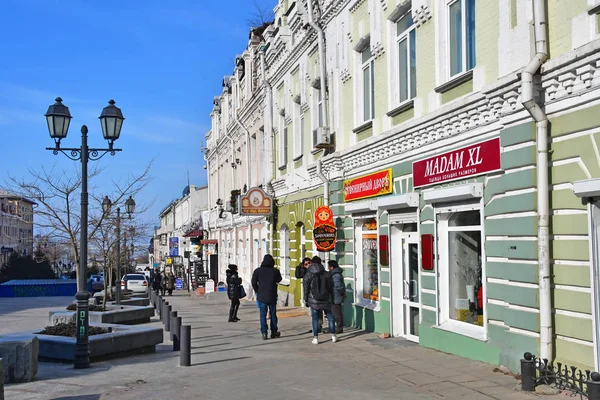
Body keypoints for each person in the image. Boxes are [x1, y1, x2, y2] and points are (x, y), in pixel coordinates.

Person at [303, 256, 336, 344]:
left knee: (315, 319)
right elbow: (331, 287)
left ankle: (316, 338)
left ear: (312, 263)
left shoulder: (308, 274)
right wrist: (332, 298)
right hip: (326, 299)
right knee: (330, 317)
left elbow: (306, 288)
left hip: (314, 300)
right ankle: (333, 336)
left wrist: (305, 299)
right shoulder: (327, 274)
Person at [251, 254, 282, 340]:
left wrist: (257, 290)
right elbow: (279, 279)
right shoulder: (275, 271)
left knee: (262, 315)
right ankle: (274, 331)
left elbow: (253, 282)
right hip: (272, 295)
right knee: (272, 314)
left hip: (262, 295)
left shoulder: (258, 271)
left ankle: (264, 333)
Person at [328, 260, 345, 333]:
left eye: (329, 266)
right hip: (334, 296)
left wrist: (341, 293)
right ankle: (334, 327)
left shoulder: (336, 275)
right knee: (334, 313)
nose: (328, 268)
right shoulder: (334, 274)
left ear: (332, 267)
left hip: (336, 296)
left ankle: (339, 328)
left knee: (337, 313)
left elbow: (338, 287)